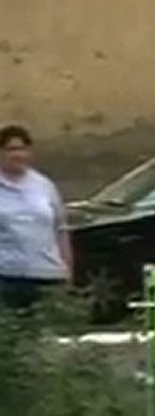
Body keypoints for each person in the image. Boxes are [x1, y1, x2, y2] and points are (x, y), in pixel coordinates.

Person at [0, 125, 73, 312]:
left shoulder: (44, 185)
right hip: (7, 277)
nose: (18, 155)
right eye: (11, 149)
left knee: (47, 335)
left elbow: (60, 228)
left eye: (22, 149)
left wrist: (67, 268)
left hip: (47, 274)